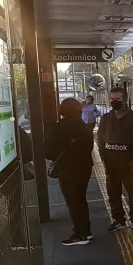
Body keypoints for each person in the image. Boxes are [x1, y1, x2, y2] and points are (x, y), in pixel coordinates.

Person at [45, 98, 94, 246]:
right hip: (85, 168)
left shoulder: (60, 127)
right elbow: (90, 147)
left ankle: (80, 234)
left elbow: (47, 150)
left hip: (68, 169)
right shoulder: (84, 126)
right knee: (81, 199)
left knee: (73, 202)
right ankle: (86, 231)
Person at [98, 86, 133, 232]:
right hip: (111, 166)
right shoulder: (106, 119)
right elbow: (100, 140)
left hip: (129, 165)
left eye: (118, 99)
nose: (114, 102)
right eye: (112, 99)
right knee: (113, 194)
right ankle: (119, 220)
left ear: (124, 100)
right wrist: (104, 160)